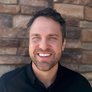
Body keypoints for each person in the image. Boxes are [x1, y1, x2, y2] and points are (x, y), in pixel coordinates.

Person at [0, 8, 92, 92]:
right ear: (29, 42)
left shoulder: (81, 86)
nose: (43, 47)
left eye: (52, 38)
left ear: (63, 44)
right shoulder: (6, 85)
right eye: (36, 37)